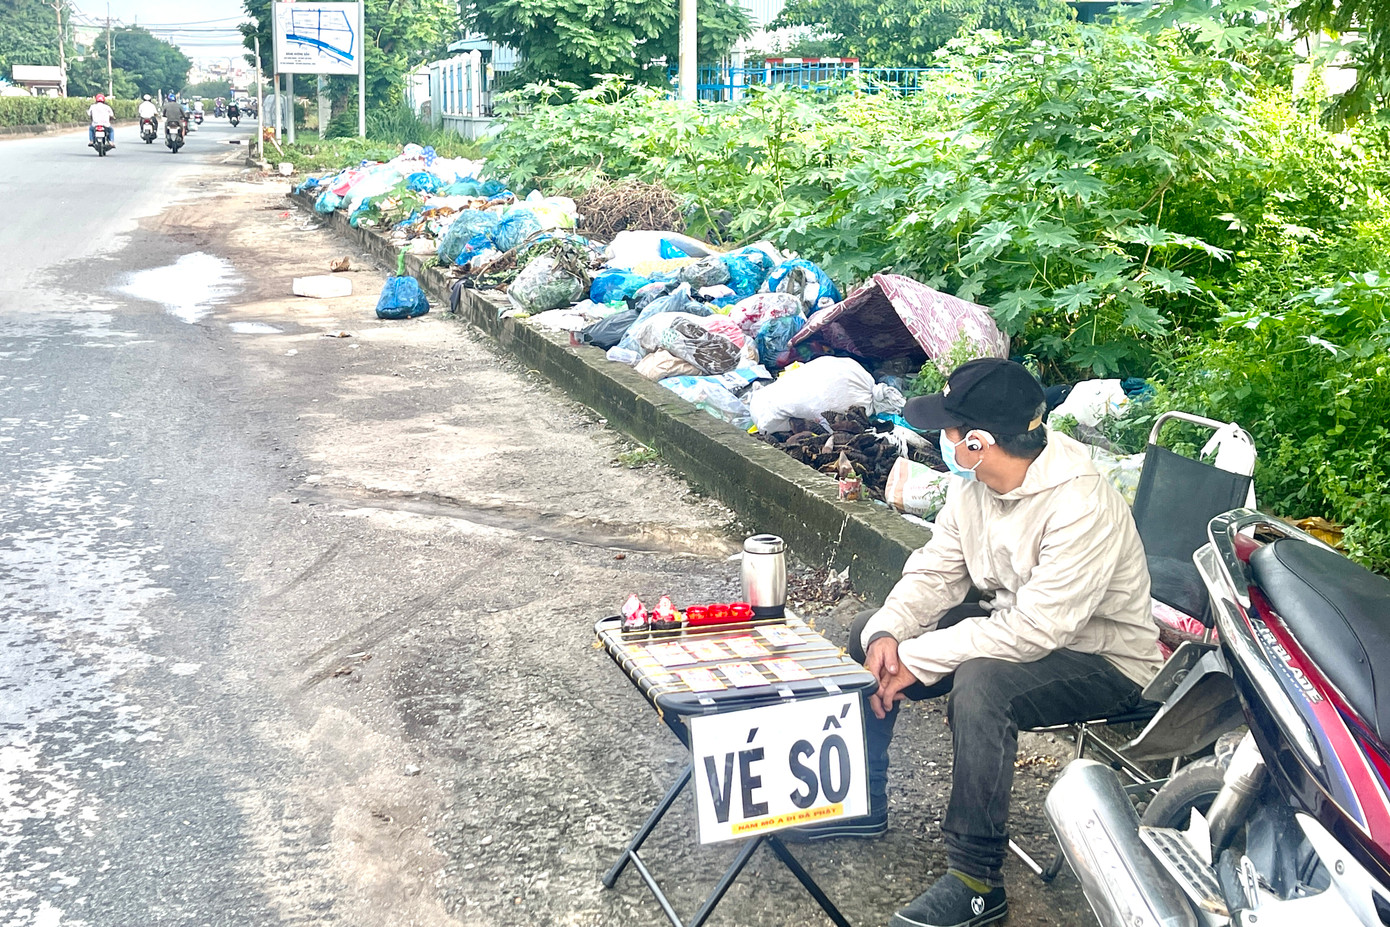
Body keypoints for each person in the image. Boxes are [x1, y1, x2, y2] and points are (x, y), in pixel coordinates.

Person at [787, 358, 1163, 927]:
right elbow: (935, 573)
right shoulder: (976, 486)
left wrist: (916, 659)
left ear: (979, 442)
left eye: (951, 430)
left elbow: (1041, 629)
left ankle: (976, 880)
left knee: (982, 684)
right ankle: (861, 798)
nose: (943, 440)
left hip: (1104, 657)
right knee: (868, 631)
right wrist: (892, 632)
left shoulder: (1081, 503)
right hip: (1015, 622)